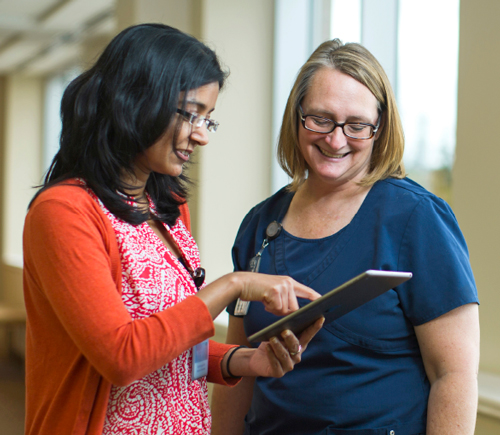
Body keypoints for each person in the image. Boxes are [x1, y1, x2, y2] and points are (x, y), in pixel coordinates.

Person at [22, 23, 324, 435]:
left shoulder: (166, 208)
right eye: (191, 114)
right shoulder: (65, 211)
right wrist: (233, 285)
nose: (201, 136)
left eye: (209, 120)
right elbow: (123, 356)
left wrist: (243, 360)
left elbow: (170, 344)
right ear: (138, 100)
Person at [211, 39, 480, 435]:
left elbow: (453, 375)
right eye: (320, 119)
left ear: (379, 128)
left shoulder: (417, 219)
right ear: (296, 118)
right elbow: (242, 363)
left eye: (356, 125)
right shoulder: (261, 224)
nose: (335, 140)